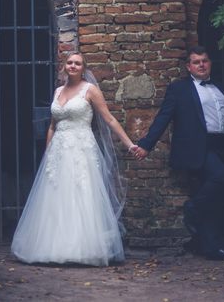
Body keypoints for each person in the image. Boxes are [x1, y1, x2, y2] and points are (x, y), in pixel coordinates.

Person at [11, 51, 139, 266]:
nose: (72, 66)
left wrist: (129, 143)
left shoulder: (90, 90)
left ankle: (83, 248)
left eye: (77, 63)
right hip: (58, 150)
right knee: (55, 195)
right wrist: (48, 152)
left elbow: (108, 119)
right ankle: (53, 247)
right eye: (69, 62)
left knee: (81, 194)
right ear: (64, 66)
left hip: (81, 149)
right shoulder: (58, 91)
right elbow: (52, 125)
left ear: (83, 68)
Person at [135, 46, 224, 260]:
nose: (201, 65)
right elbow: (164, 117)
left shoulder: (220, 87)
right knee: (220, 176)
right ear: (188, 67)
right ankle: (191, 208)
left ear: (210, 63)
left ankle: (211, 248)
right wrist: (146, 144)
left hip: (221, 145)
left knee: (213, 200)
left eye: (204, 60)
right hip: (198, 147)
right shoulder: (179, 89)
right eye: (196, 62)